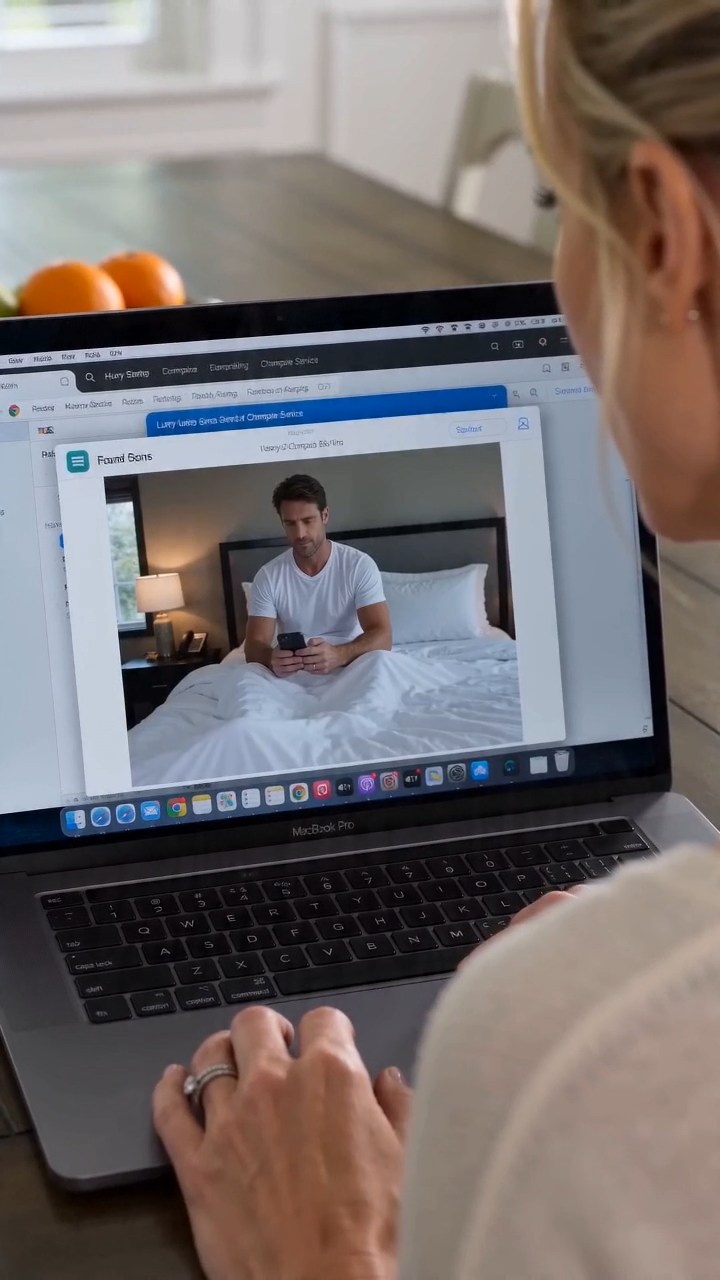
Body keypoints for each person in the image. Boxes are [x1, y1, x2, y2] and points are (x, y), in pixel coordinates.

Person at [153, 3, 720, 1276]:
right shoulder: (606, 1000)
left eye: (556, 202)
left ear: (663, 233)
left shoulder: (583, 1037)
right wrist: (279, 661)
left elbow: (374, 634)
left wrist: (332, 1253)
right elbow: (259, 645)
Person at [244, 474, 392, 678]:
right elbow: (253, 646)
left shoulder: (358, 565)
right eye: (290, 523)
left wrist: (340, 654)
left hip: (351, 665)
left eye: (308, 521)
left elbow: (383, 635)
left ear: (325, 515)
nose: (300, 534)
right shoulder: (268, 576)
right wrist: (271, 658)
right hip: (293, 672)